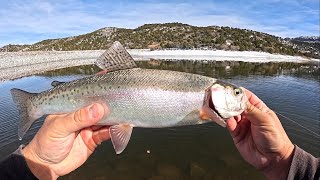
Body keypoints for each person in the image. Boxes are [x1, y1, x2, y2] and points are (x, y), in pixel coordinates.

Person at [0, 89, 319, 179]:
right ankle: (34, 105)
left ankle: (34, 105)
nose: (243, 99)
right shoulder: (205, 98)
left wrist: (35, 163)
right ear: (217, 93)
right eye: (236, 94)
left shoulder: (209, 108)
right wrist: (38, 160)